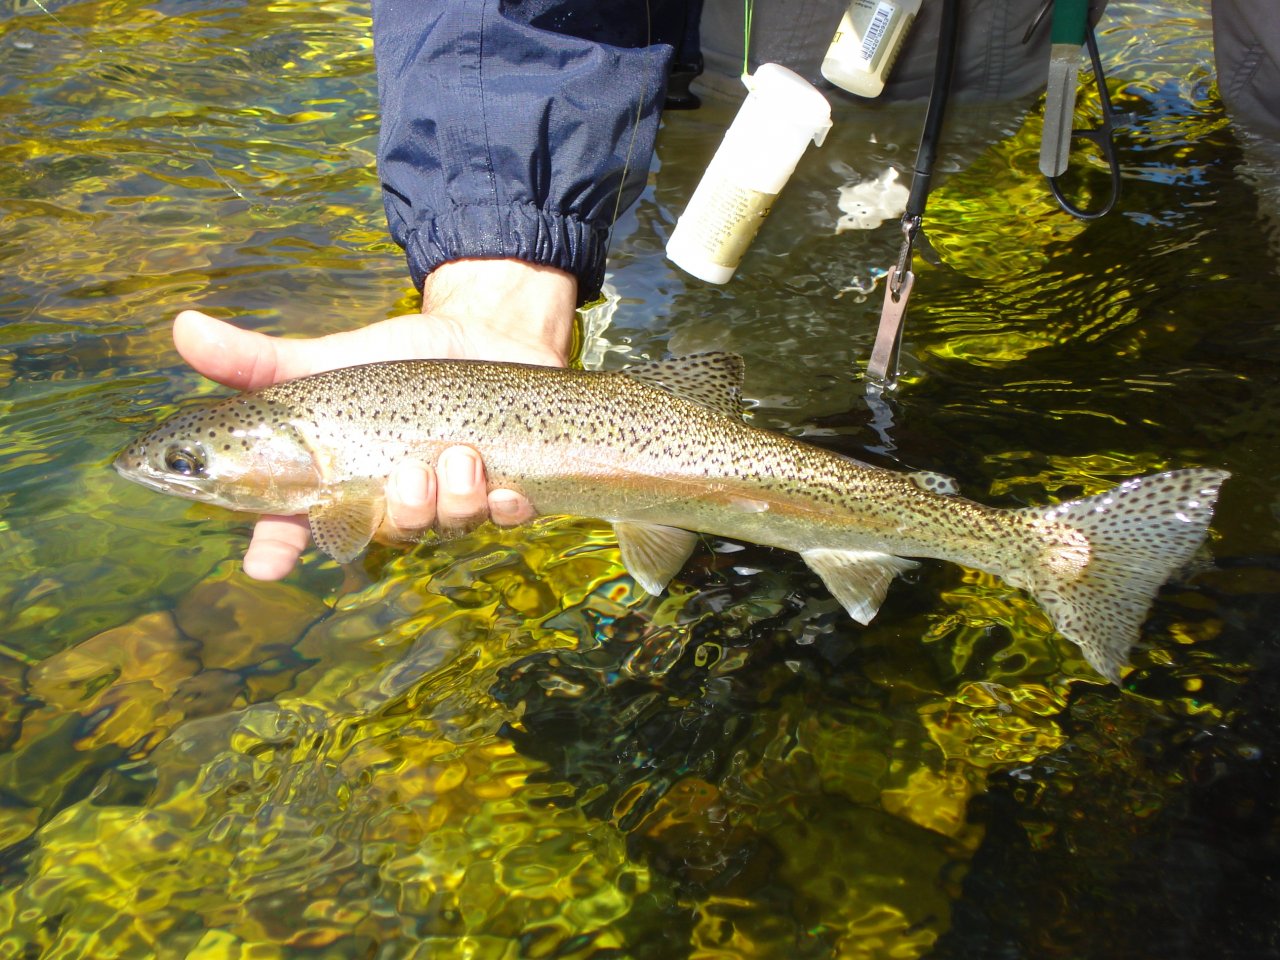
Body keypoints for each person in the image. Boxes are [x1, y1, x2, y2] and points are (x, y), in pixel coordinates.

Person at [177, 0, 1271, 580]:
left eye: (192, 464)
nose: (183, 478)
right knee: (788, 370)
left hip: (986, 55)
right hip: (774, 61)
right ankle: (945, 545)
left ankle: (980, 546)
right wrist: (500, 270)